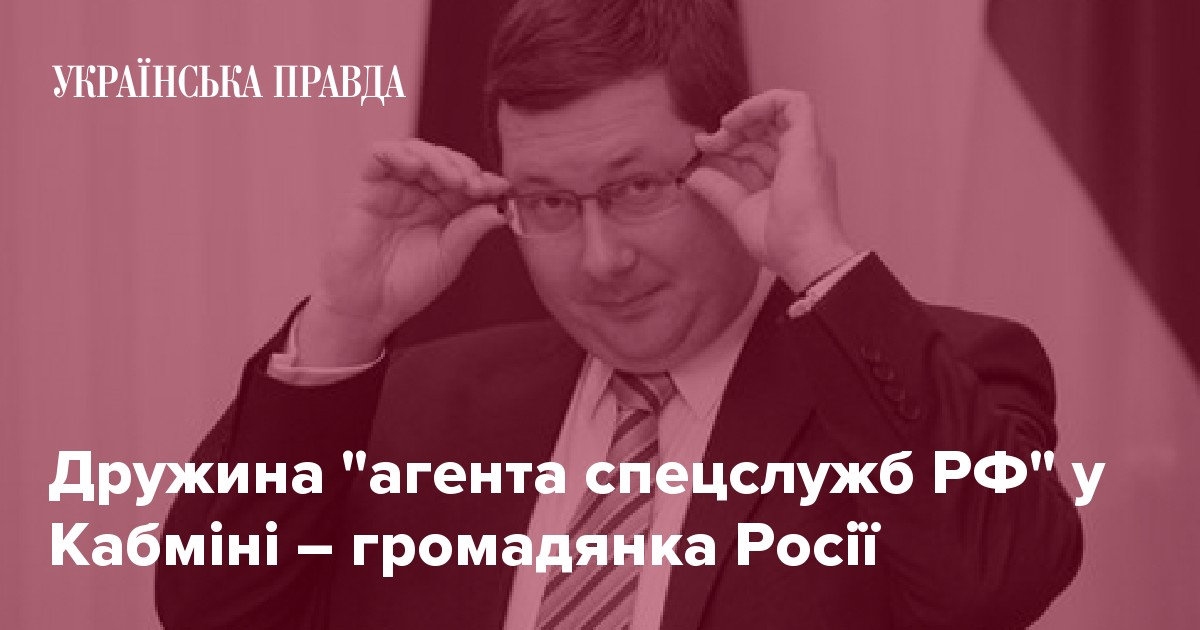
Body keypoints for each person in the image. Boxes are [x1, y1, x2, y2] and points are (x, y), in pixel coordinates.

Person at [155, 0, 1082, 628]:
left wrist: (816, 258)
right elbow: (215, 610)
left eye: (637, 187)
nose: (600, 259)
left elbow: (994, 581)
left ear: (731, 160)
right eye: (550, 202)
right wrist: (342, 325)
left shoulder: (936, 376)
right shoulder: (419, 404)